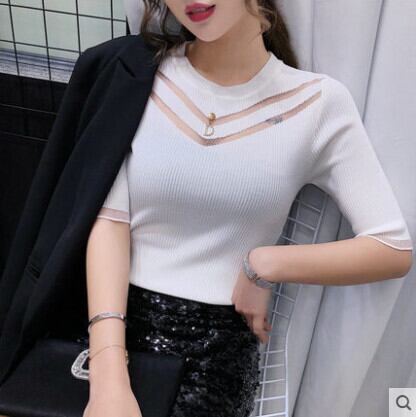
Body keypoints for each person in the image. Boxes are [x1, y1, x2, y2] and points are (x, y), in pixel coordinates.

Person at [82, 1, 413, 417]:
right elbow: (109, 221)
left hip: (219, 361)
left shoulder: (317, 102)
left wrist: (265, 263)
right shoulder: (136, 74)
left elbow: (392, 248)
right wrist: (108, 375)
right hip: (110, 330)